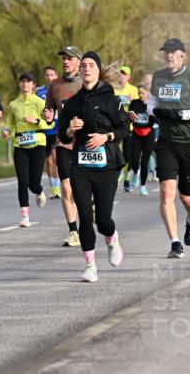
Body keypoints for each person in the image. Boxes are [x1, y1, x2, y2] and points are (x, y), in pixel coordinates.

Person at [57, 52, 128, 282]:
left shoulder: (111, 99)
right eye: (84, 65)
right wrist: (70, 129)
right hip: (81, 166)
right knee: (85, 217)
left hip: (107, 165)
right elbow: (62, 137)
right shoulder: (72, 103)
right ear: (80, 71)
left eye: (91, 65)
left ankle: (112, 238)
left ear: (98, 70)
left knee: (103, 219)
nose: (87, 68)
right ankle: (90, 266)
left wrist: (105, 137)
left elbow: (124, 128)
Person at [150, 38, 190, 258]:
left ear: (182, 56)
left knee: (187, 198)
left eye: (173, 52)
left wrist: (182, 115)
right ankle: (175, 243)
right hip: (166, 142)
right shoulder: (158, 77)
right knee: (167, 192)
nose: (169, 56)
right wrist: (155, 111)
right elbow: (151, 102)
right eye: (166, 52)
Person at [44, 46, 85, 247]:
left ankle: (90, 209)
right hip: (64, 141)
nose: (66, 62)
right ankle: (73, 231)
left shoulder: (87, 82)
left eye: (70, 58)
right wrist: (48, 116)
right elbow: (49, 110)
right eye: (64, 59)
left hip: (87, 143)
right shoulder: (55, 85)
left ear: (79, 61)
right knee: (66, 188)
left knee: (83, 188)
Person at [7, 71, 50, 226]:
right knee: (23, 181)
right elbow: (10, 123)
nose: (25, 84)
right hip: (20, 145)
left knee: (33, 183)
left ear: (33, 85)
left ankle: (38, 190)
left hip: (38, 144)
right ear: (19, 84)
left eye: (28, 81)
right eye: (23, 81)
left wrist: (36, 120)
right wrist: (6, 131)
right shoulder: (13, 104)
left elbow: (49, 123)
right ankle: (25, 216)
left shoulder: (40, 102)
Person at [113, 64, 140, 192]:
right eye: (120, 73)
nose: (121, 76)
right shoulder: (113, 89)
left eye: (124, 74)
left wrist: (132, 101)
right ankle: (118, 172)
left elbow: (138, 108)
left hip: (129, 126)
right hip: (116, 125)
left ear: (128, 76)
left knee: (127, 155)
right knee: (115, 151)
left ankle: (127, 177)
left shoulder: (133, 90)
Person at [127, 83, 157, 196]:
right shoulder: (134, 103)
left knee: (145, 161)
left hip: (148, 134)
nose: (140, 95)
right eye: (139, 93)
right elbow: (129, 119)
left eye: (142, 93)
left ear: (148, 93)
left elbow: (157, 121)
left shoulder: (152, 105)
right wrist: (131, 117)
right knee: (134, 160)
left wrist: (151, 114)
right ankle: (135, 172)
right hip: (136, 133)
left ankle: (143, 186)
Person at [37, 66, 61, 198]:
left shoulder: (61, 89)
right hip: (44, 130)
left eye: (52, 74)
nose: (49, 77)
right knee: (49, 160)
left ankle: (57, 187)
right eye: (47, 75)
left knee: (55, 157)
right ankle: (52, 185)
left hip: (57, 128)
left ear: (56, 76)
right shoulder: (39, 92)